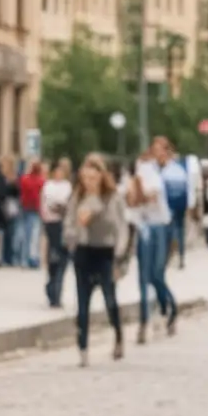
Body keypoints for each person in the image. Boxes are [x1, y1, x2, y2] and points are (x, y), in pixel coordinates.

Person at [63, 153, 130, 366]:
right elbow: (68, 227)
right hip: (84, 253)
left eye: (93, 178)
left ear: (102, 176)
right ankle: (83, 348)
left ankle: (118, 335)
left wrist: (119, 258)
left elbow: (121, 228)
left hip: (105, 254)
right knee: (82, 305)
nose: (89, 182)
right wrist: (76, 232)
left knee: (110, 300)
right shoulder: (77, 197)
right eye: (85, 178)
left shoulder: (112, 197)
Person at [130, 141, 177, 343]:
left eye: (162, 148)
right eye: (155, 148)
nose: (158, 152)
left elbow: (152, 196)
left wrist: (140, 192)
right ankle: (144, 320)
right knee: (144, 276)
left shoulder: (170, 171)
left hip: (162, 226)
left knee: (156, 273)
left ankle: (170, 308)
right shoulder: (145, 168)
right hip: (145, 225)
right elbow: (135, 198)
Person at [40, 157, 74, 309]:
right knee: (54, 257)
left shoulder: (68, 187)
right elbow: (44, 204)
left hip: (64, 224)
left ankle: (57, 292)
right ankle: (52, 288)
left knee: (62, 259)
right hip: (52, 224)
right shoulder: (49, 186)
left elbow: (69, 205)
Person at [158, 139, 190, 269]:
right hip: (180, 204)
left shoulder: (165, 170)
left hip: (170, 205)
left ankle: (167, 257)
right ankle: (181, 256)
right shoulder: (182, 168)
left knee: (169, 232)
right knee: (180, 231)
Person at [18, 157, 46, 269]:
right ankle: (33, 258)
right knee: (35, 236)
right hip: (36, 209)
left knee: (25, 235)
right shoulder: (41, 181)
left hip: (25, 208)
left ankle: (23, 259)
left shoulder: (24, 179)